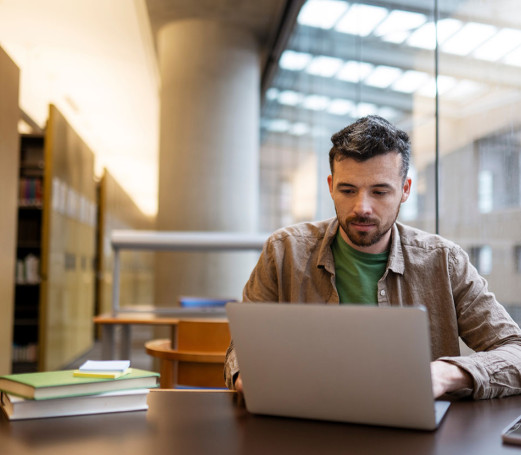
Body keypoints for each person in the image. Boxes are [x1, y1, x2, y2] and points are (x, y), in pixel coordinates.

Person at [224, 115, 521, 400]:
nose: (362, 207)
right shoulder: (283, 251)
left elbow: (515, 350)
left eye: (379, 192)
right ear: (330, 187)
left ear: (405, 190)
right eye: (348, 190)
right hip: (306, 423)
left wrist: (446, 374)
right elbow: (243, 349)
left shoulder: (445, 261)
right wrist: (245, 375)